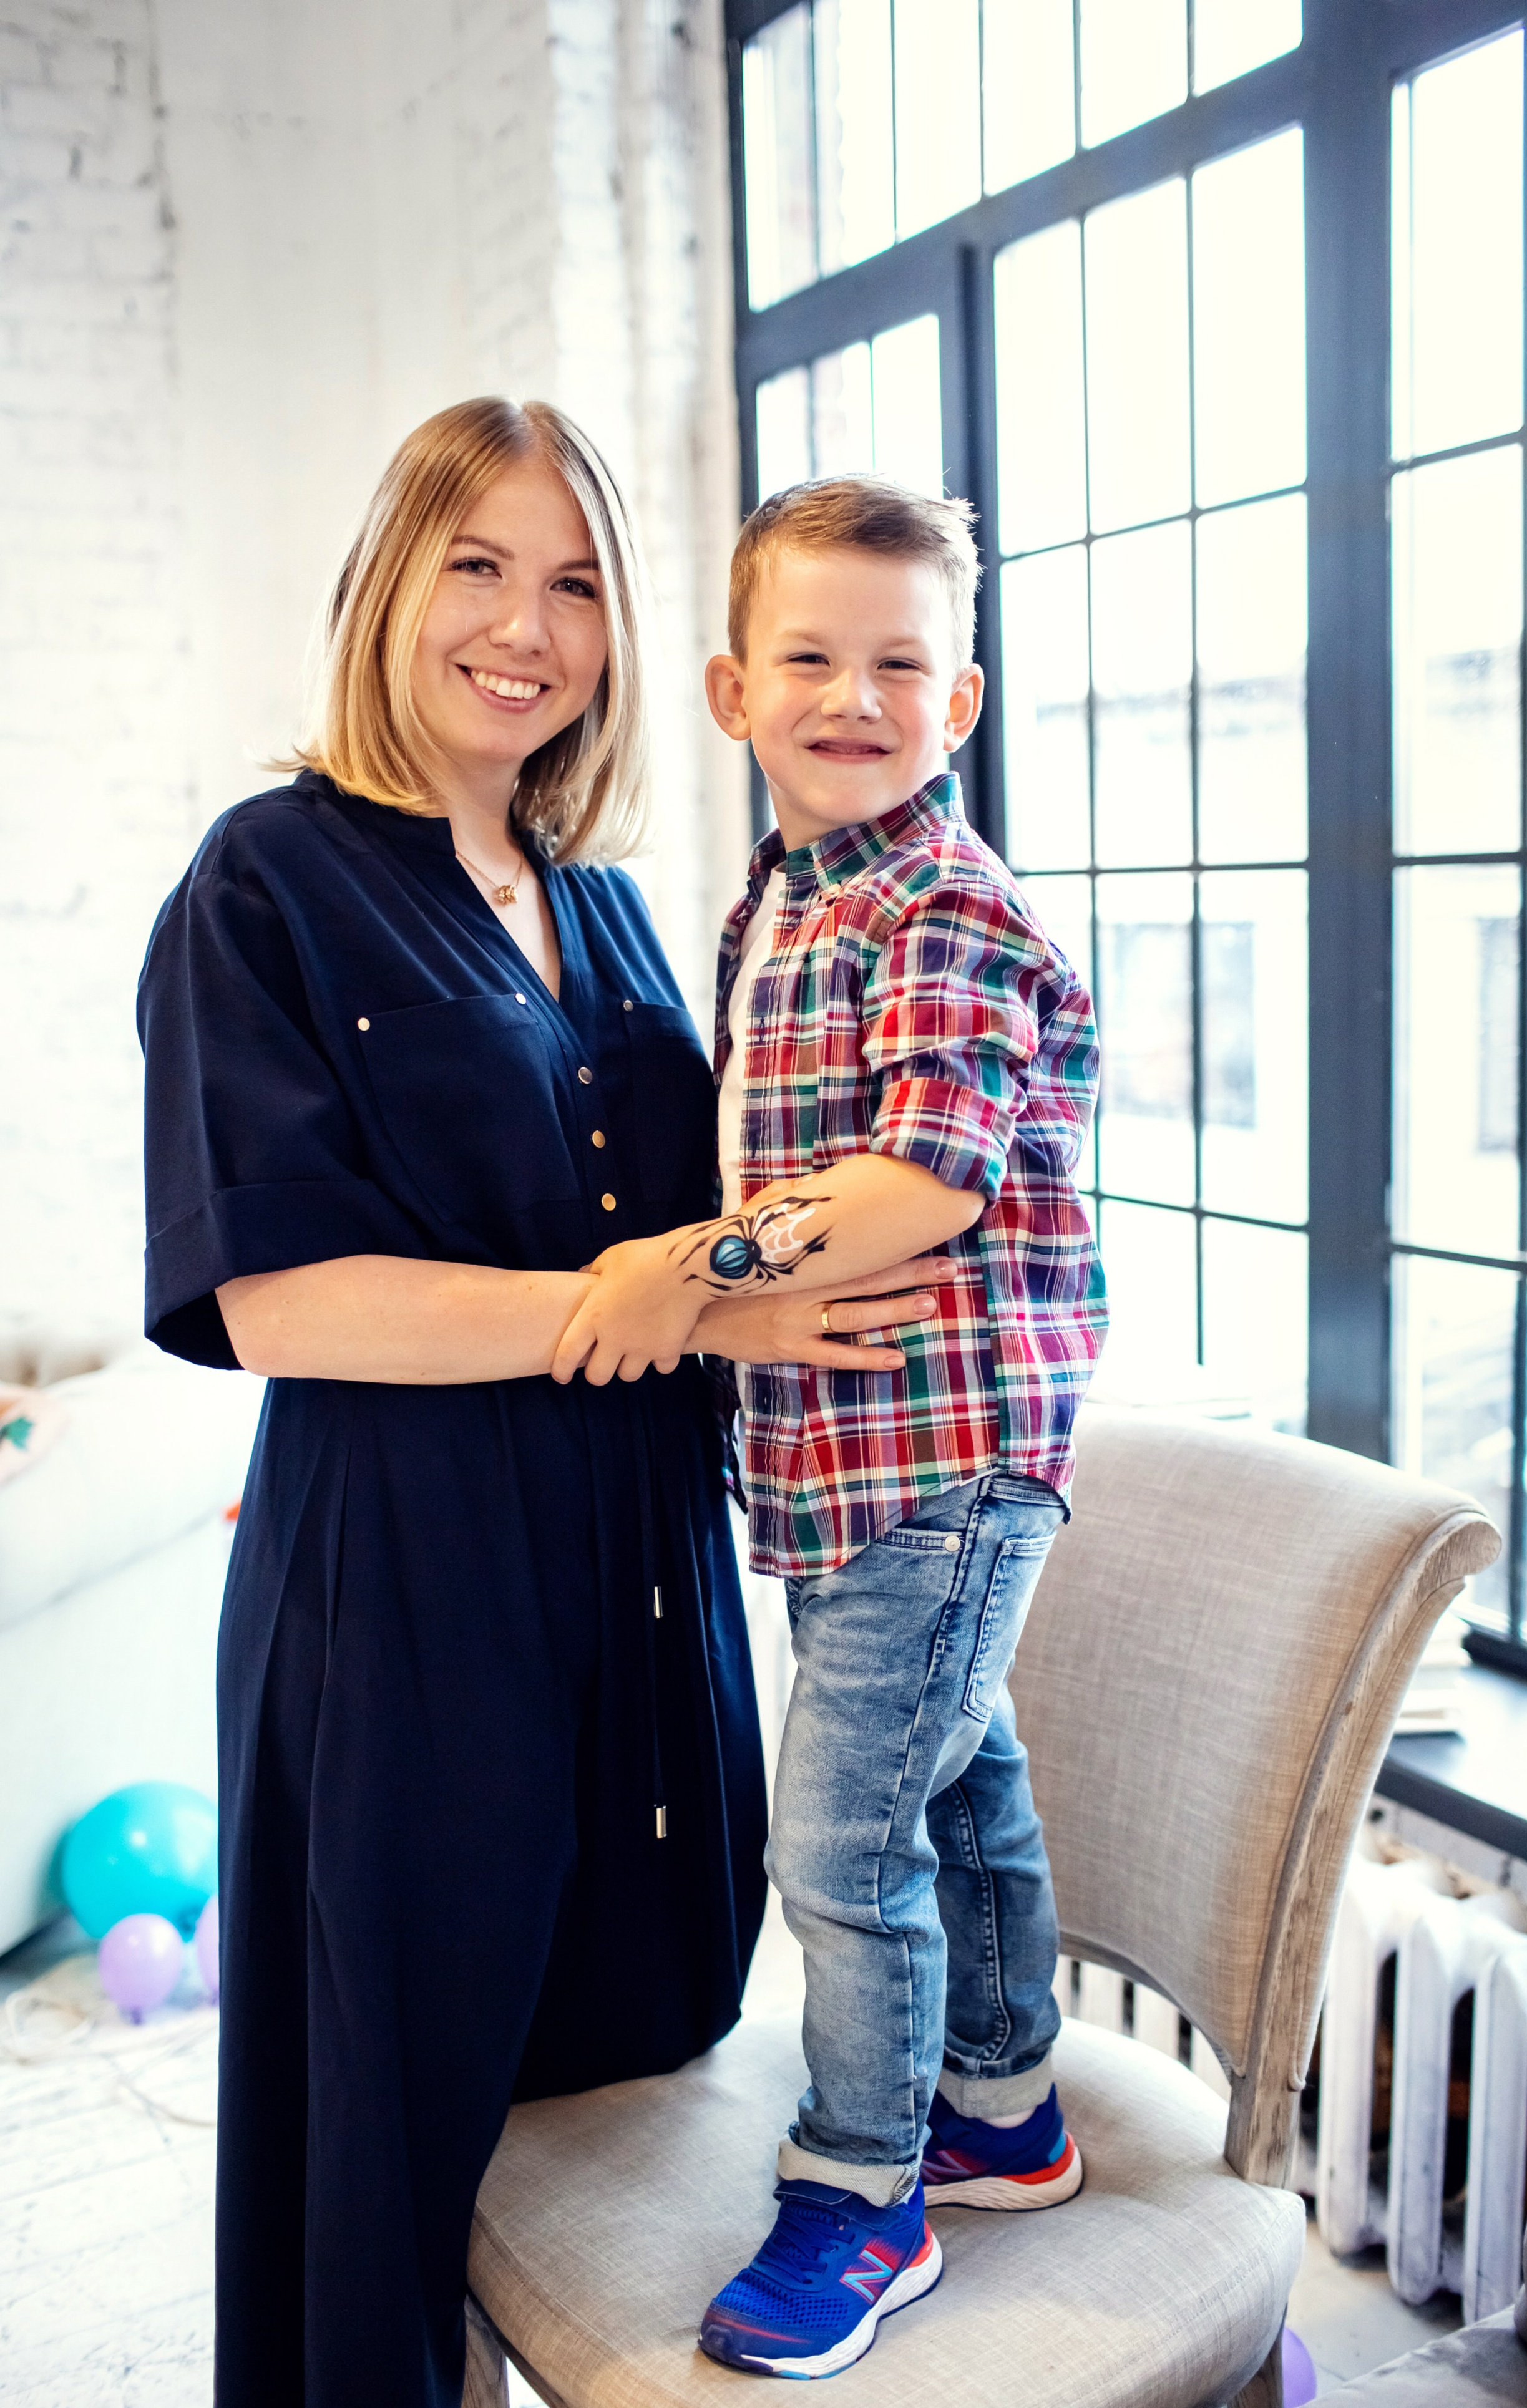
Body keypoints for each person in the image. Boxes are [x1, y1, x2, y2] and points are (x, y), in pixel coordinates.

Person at [136, 401, 954, 2408]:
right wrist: (645, 1299)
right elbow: (275, 1298)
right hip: (410, 1608)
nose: (527, 626)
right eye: (480, 566)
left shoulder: (600, 898)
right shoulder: (266, 882)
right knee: (382, 2161)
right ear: (389, 582)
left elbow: (719, 1222)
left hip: (645, 1597)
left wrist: (764, 1286)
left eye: (576, 582)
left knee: (628, 2082)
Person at [554, 475, 1107, 2379]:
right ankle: (1005, 2107)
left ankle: (865, 2183)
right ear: (732, 690)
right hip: (843, 1454)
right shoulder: (782, 900)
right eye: (810, 656)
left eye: (901, 664)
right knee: (954, 1779)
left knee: (844, 1845)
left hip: (944, 1452)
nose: (854, 696)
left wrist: (690, 1271)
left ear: (962, 702)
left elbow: (925, 1179)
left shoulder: (946, 903)